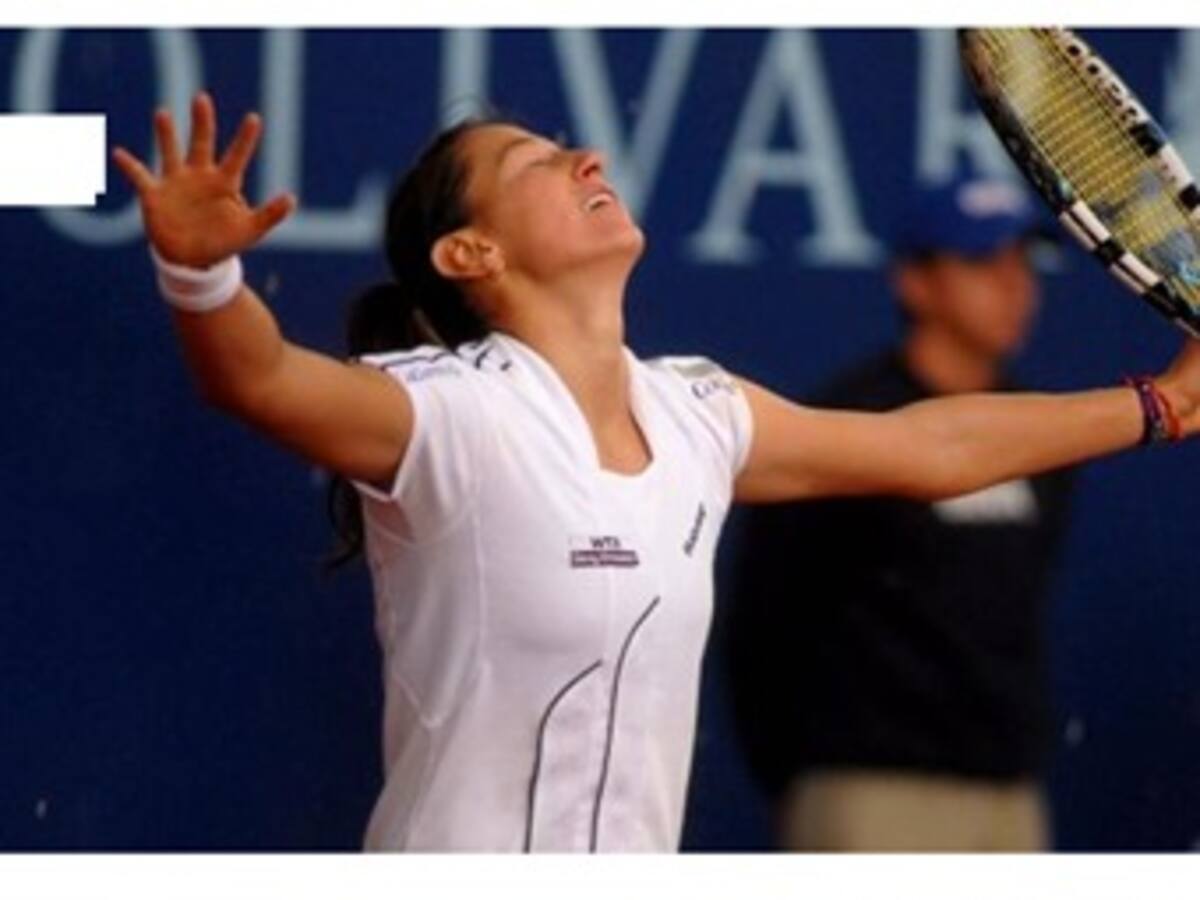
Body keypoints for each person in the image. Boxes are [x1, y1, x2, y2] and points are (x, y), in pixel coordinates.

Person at [112, 93, 1200, 853]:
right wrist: (200, 276)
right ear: (470, 254)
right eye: (539, 163)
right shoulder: (446, 414)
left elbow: (928, 449)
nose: (587, 160)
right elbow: (255, 378)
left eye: (575, 148)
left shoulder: (695, 411)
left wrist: (1165, 404)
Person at [724, 175, 1080, 852]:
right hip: (871, 792)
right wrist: (807, 777)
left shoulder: (1040, 434)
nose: (1013, 286)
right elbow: (764, 622)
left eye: (1021, 263)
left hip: (1009, 790)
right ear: (914, 284)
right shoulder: (846, 422)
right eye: (981, 263)